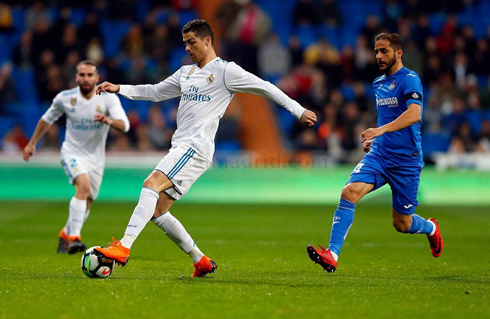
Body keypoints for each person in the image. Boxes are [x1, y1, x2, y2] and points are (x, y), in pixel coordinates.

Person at [94, 19, 317, 277]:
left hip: (194, 147)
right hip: (183, 147)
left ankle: (124, 247)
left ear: (207, 41)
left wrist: (298, 110)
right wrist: (120, 88)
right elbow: (154, 92)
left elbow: (264, 87)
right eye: (185, 43)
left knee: (150, 185)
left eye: (192, 42)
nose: (188, 48)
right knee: (157, 211)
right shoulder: (185, 73)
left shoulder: (226, 71)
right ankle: (200, 260)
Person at [307, 33, 443, 273]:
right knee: (349, 192)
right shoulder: (378, 83)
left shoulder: (410, 79)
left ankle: (431, 228)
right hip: (380, 155)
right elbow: (388, 117)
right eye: (376, 51)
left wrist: (380, 130)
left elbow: (414, 114)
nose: (378, 56)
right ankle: (332, 254)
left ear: (398, 53)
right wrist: (376, 139)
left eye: (384, 51)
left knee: (402, 223)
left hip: (406, 162)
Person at [23, 60, 130, 254]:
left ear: (97, 78)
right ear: (76, 77)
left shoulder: (107, 99)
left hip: (96, 159)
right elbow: (47, 120)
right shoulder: (65, 98)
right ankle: (74, 238)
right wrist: (32, 143)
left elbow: (125, 125)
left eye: (90, 75)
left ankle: (66, 234)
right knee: (83, 186)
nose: (86, 78)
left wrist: (108, 120)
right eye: (82, 75)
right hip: (72, 152)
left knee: (86, 201)